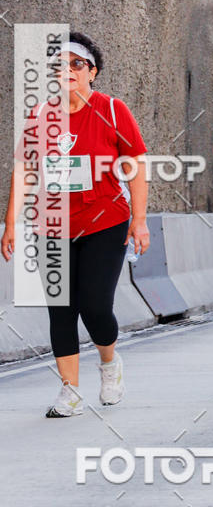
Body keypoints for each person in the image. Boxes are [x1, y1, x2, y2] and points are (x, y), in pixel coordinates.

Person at [1, 32, 150, 417]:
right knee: (60, 309)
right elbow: (26, 170)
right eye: (58, 66)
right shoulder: (40, 115)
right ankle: (69, 391)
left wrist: (140, 220)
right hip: (52, 224)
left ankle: (109, 363)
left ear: (92, 71)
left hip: (105, 222)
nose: (67, 71)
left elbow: (135, 168)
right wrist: (11, 223)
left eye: (76, 64)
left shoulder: (113, 110)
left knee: (95, 307)